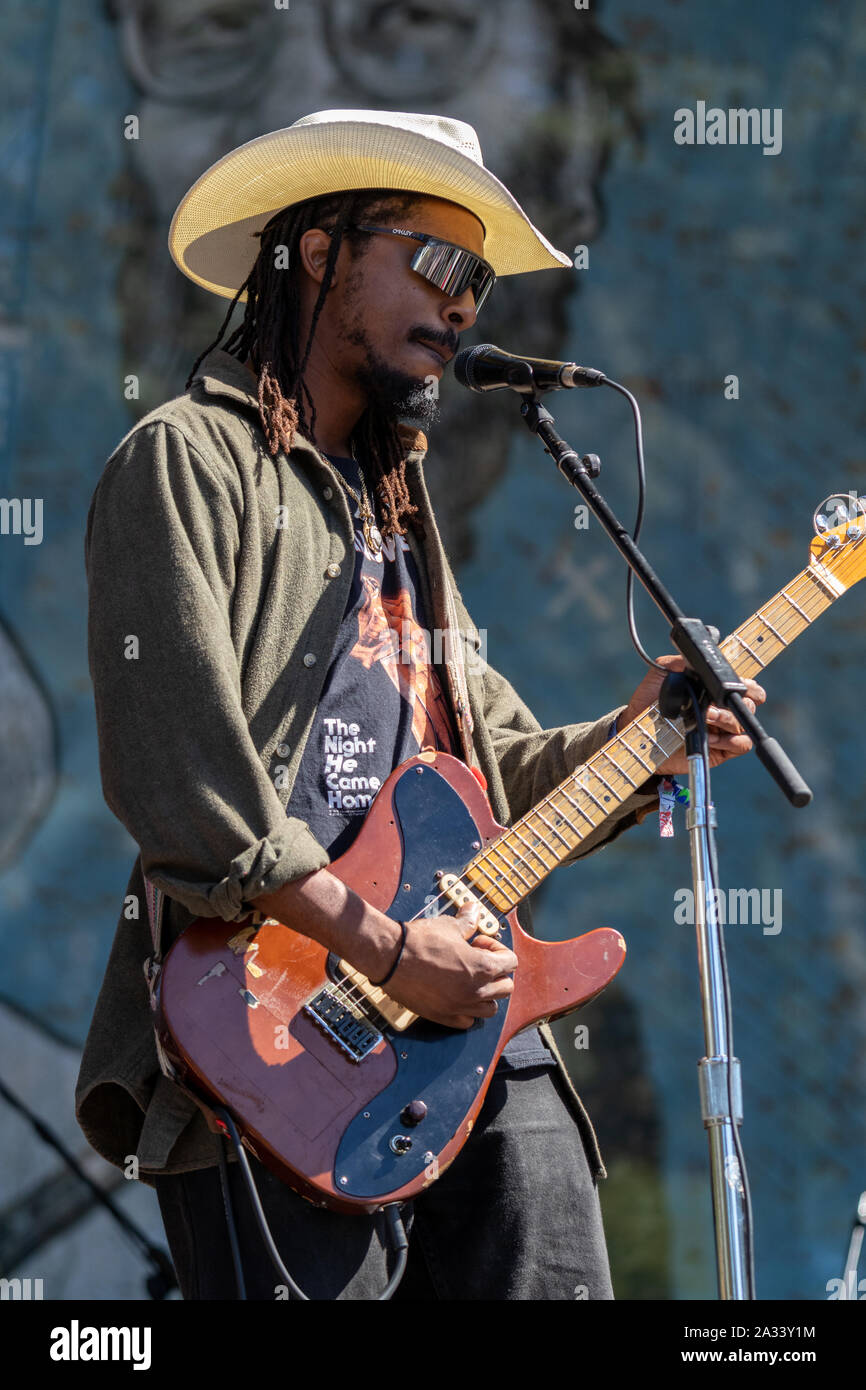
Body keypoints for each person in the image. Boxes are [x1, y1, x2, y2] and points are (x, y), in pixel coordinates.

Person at [76, 109, 764, 1300]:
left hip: (468, 1020)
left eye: (481, 282)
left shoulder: (394, 507)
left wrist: (638, 737)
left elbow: (491, 768)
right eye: (439, 263)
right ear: (320, 251)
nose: (464, 307)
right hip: (275, 1032)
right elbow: (183, 783)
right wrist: (388, 951)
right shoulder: (189, 460)